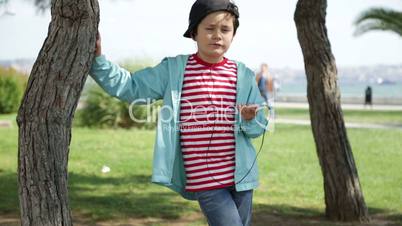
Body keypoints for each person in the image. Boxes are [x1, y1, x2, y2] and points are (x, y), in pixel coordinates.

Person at [90, 0, 267, 225]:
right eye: (209, 29)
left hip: (242, 178)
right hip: (206, 180)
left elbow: (255, 128)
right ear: (194, 33)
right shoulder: (174, 70)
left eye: (225, 30)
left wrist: (250, 119)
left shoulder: (243, 75)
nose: (217, 36)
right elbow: (131, 87)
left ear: (233, 34)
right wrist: (98, 62)